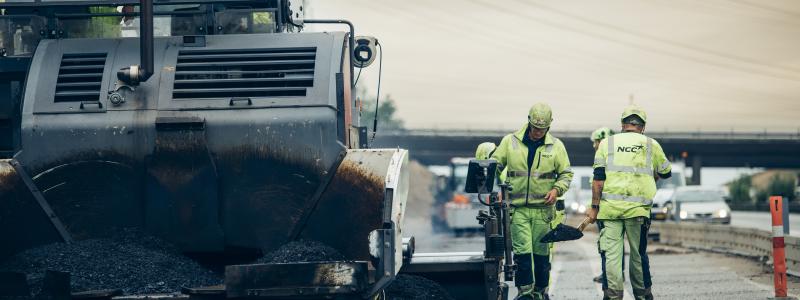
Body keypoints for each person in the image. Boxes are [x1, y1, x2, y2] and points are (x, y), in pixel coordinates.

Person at [586, 105, 672, 300]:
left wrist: (594, 208)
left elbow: (598, 180)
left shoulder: (605, 144)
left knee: (611, 257)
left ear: (623, 125)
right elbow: (666, 172)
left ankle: (613, 296)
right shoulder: (651, 144)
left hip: (609, 212)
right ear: (643, 127)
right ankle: (642, 296)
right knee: (637, 256)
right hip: (638, 212)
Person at [491, 103, 573, 300]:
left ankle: (540, 292)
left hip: (543, 211)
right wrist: (497, 189)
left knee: (542, 256)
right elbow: (494, 165)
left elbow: (566, 174)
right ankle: (526, 293)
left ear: (549, 126)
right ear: (528, 122)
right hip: (517, 209)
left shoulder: (556, 146)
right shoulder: (509, 142)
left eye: (542, 129)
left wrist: (556, 189)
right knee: (523, 254)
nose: (538, 132)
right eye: (535, 128)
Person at [589, 126, 615, 284]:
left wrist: (594, 207)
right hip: (609, 206)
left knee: (606, 245)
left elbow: (598, 183)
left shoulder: (604, 157)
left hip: (606, 208)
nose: (594, 145)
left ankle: (608, 276)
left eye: (596, 141)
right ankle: (610, 273)